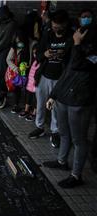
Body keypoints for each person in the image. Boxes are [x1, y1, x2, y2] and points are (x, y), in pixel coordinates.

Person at [43, 10, 97, 188]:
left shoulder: (85, 49)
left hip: (81, 99)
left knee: (79, 140)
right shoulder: (75, 46)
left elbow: (78, 65)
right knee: (64, 132)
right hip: (64, 96)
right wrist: (54, 94)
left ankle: (76, 175)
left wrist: (77, 45)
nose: (78, 33)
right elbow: (66, 71)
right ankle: (61, 161)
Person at [28, 10, 73, 149]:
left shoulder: (71, 38)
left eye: (59, 26)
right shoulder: (47, 34)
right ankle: (40, 127)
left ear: (65, 24)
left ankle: (55, 131)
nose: (56, 29)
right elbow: (38, 55)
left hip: (61, 78)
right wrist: (45, 54)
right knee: (40, 103)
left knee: (56, 107)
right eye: (54, 26)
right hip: (44, 75)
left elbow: (73, 60)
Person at [0, 6, 17, 109]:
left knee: (2, 73)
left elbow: (6, 39)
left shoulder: (12, 24)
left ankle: (3, 95)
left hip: (4, 51)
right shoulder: (3, 23)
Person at [5, 29, 29, 113]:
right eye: (16, 39)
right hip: (17, 70)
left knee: (27, 88)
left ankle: (27, 107)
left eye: (19, 38)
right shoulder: (14, 47)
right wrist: (15, 68)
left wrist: (27, 67)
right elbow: (8, 59)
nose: (17, 40)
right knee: (17, 87)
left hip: (27, 70)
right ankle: (16, 105)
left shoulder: (29, 45)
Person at [19, 44, 39, 121]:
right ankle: (26, 110)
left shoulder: (41, 61)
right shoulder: (34, 61)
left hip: (36, 83)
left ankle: (34, 112)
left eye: (36, 53)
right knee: (28, 96)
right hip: (30, 83)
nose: (34, 55)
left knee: (35, 99)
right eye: (33, 53)